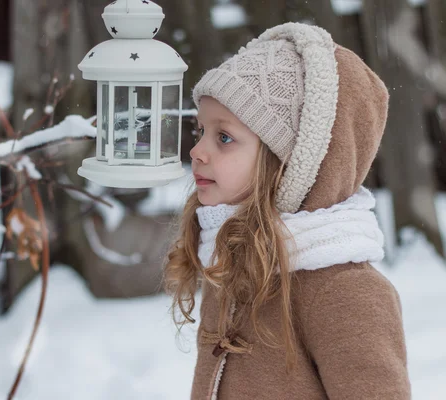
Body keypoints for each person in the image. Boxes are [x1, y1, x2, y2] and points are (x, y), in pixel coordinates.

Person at [164, 22, 411, 400]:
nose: (197, 151)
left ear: (289, 165)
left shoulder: (343, 290)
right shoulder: (234, 261)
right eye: (200, 132)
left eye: (224, 137)